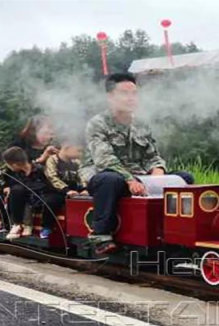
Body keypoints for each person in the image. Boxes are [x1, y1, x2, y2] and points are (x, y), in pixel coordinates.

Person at [80, 72, 194, 254]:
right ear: (110, 97)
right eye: (124, 93)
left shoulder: (141, 124)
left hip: (141, 179)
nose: (130, 98)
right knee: (110, 180)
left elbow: (152, 156)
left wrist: (158, 173)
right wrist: (129, 180)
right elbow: (104, 159)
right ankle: (100, 234)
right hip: (105, 176)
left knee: (184, 178)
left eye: (134, 93)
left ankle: (177, 231)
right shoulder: (97, 123)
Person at [1, 146, 54, 240]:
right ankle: (18, 224)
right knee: (16, 190)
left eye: (8, 165)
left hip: (39, 197)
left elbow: (45, 186)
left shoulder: (39, 170)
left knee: (22, 192)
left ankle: (21, 225)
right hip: (23, 198)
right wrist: (7, 188)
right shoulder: (14, 173)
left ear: (15, 164)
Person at [43, 141, 88, 239]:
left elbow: (82, 176)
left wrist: (85, 189)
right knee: (51, 201)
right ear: (67, 147)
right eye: (78, 150)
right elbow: (52, 177)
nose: (80, 154)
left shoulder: (76, 163)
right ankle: (47, 227)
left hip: (74, 191)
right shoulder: (53, 160)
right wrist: (66, 190)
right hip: (55, 191)